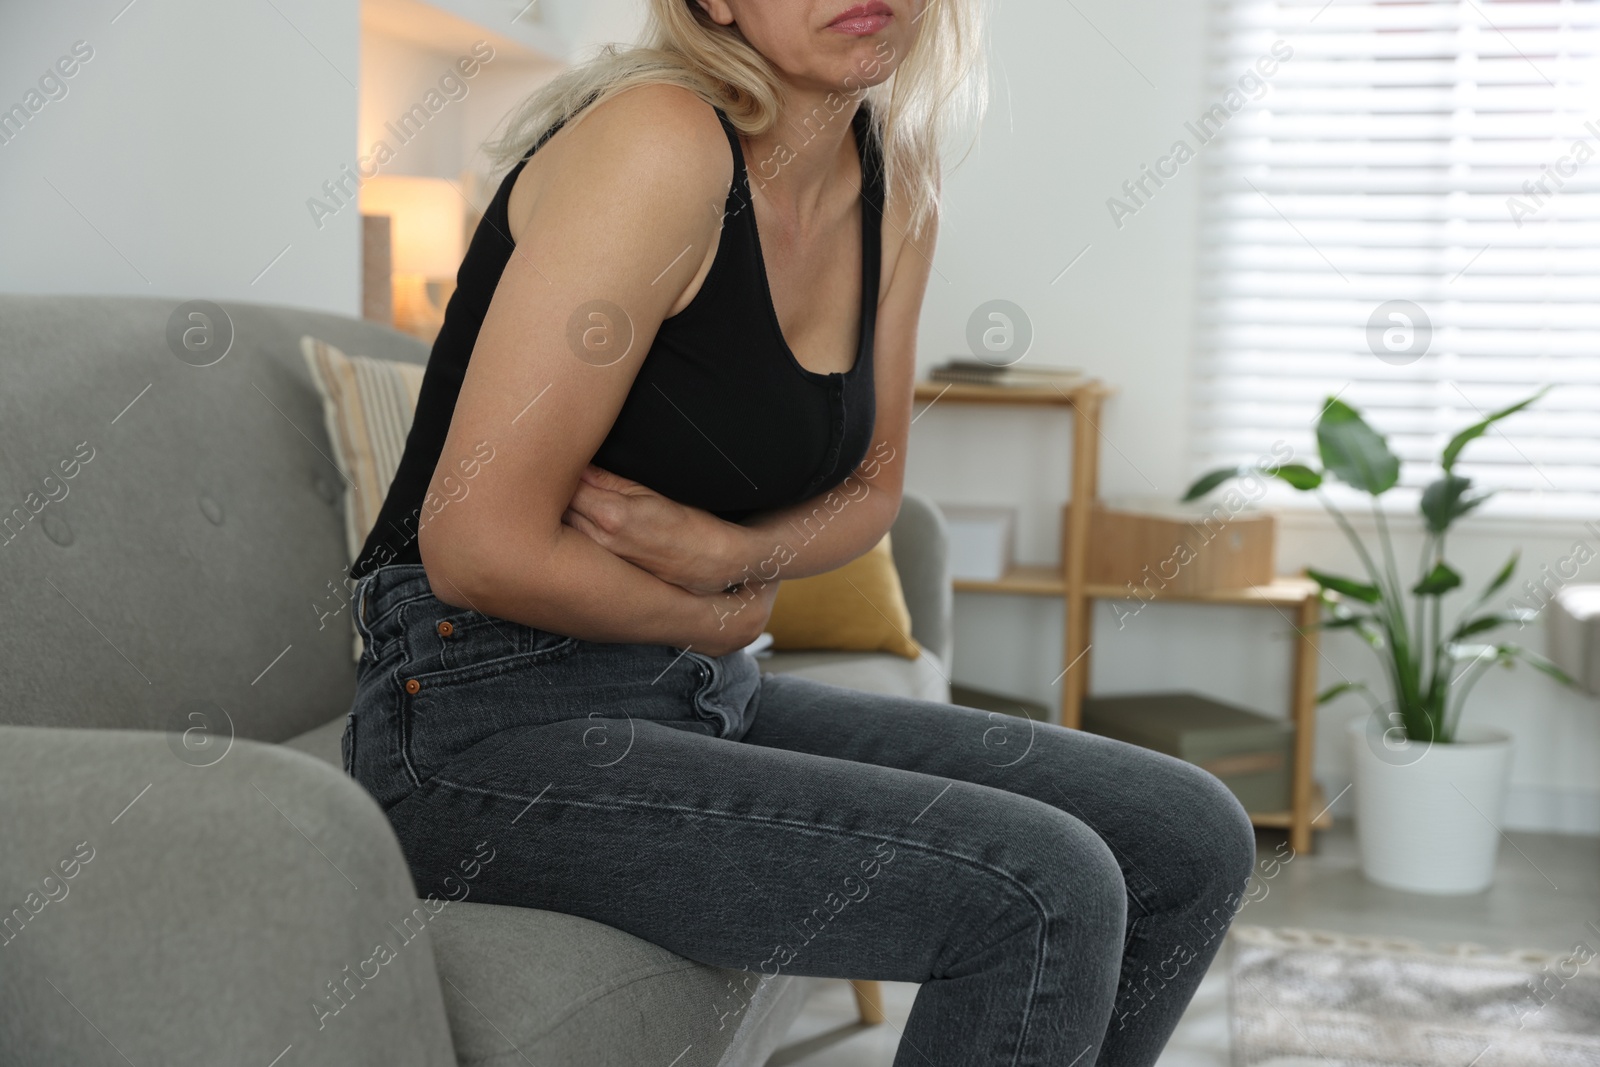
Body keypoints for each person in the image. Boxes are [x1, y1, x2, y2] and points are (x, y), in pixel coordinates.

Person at [343, 2, 1256, 1063]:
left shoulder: (897, 182)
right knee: (1038, 887)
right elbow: (474, 545)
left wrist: (732, 556)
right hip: (475, 724)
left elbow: (872, 488)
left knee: (1186, 836)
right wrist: (710, 612)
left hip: (691, 694)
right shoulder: (659, 140)